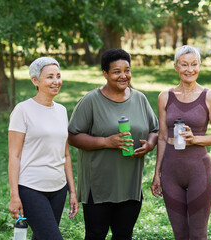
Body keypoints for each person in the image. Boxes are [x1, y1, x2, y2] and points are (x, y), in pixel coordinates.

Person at [68, 48, 159, 240]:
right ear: (105, 73)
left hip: (130, 184)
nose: (123, 76)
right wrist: (106, 142)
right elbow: (72, 136)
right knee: (95, 235)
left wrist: (150, 145)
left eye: (127, 70)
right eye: (116, 71)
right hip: (99, 185)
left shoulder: (140, 99)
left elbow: (154, 129)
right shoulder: (91, 101)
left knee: (124, 235)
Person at [151, 45, 211, 239]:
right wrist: (157, 173)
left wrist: (195, 140)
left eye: (194, 64)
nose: (189, 70)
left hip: (198, 171)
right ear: (176, 67)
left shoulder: (209, 97)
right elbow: (161, 137)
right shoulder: (164, 97)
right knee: (180, 234)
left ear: (200, 66)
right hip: (171, 172)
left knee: (198, 234)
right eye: (184, 65)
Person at [8, 57, 78, 240]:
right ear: (35, 81)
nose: (56, 81)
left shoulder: (62, 110)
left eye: (58, 76)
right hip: (31, 188)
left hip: (58, 188)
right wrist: (14, 196)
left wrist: (72, 191)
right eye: (49, 77)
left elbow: (66, 155)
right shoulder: (22, 110)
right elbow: (14, 156)